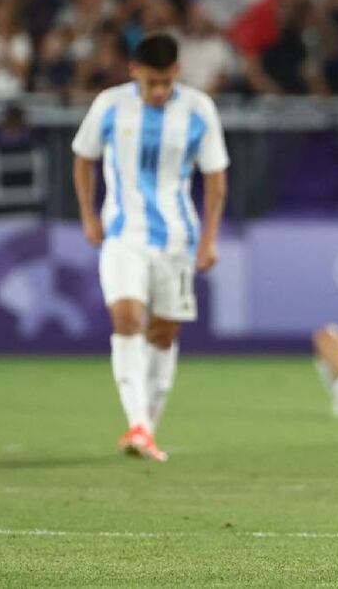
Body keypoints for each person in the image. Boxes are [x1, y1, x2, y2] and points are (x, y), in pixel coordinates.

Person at [72, 32, 228, 462]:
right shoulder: (109, 104)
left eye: (165, 82)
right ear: (133, 72)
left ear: (176, 73)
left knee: (163, 333)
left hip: (178, 238)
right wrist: (88, 214)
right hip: (123, 234)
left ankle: (147, 428)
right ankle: (137, 422)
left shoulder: (198, 109)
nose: (158, 92)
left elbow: (215, 176)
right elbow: (83, 157)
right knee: (125, 318)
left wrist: (210, 238)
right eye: (150, 83)